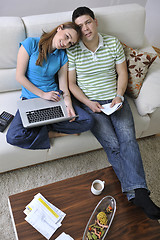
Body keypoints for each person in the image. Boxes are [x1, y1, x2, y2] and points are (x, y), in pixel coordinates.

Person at [67, 7, 160, 220]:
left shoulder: (112, 43)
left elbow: (121, 73)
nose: (85, 28)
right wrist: (88, 103)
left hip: (115, 101)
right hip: (91, 105)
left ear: (95, 22)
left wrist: (119, 95)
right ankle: (139, 193)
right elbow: (71, 85)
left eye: (88, 22)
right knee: (113, 144)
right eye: (80, 26)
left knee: (128, 140)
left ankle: (136, 193)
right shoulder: (73, 50)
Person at [6, 22, 94, 150]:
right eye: (67, 36)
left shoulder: (63, 56)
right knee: (13, 136)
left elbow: (63, 86)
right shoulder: (30, 44)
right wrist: (43, 95)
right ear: (60, 28)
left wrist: (68, 104)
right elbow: (19, 76)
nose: (66, 43)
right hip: (32, 99)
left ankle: (43, 125)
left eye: (71, 43)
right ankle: (52, 133)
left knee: (88, 121)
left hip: (55, 99)